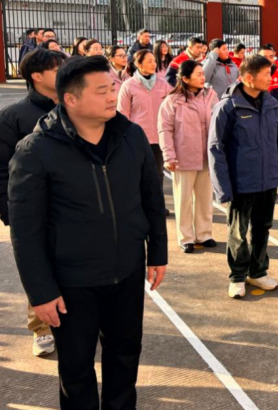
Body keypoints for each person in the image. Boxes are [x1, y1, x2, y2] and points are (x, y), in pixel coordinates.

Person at [8, 56, 168, 409]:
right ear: (71, 98)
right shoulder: (37, 150)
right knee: (76, 368)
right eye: (101, 91)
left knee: (125, 355)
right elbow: (25, 231)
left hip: (126, 271)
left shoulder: (131, 136)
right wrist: (41, 292)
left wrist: (157, 252)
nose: (112, 96)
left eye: (112, 88)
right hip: (71, 282)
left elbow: (151, 199)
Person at [0, 49, 65, 358]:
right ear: (37, 76)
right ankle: (42, 328)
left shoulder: (74, 107)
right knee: (39, 269)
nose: (64, 72)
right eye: (57, 69)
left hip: (74, 207)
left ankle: (76, 322)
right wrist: (11, 212)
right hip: (34, 211)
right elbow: (2, 170)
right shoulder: (13, 117)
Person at [209, 55, 278, 298]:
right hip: (240, 182)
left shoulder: (271, 104)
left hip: (267, 180)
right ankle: (237, 276)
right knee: (238, 231)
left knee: (262, 228)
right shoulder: (228, 107)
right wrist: (222, 188)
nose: (271, 78)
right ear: (248, 77)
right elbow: (216, 148)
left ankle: (258, 271)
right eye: (266, 74)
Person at [158, 60, 219, 253]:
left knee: (204, 197)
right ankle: (186, 237)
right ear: (185, 78)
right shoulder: (172, 101)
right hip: (183, 157)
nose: (202, 77)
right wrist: (169, 156)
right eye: (198, 74)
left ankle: (204, 233)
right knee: (183, 199)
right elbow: (165, 130)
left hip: (206, 156)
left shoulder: (210, 95)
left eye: (203, 74)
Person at [118, 49, 172, 180]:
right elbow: (122, 114)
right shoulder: (128, 85)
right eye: (149, 61)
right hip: (137, 139)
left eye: (154, 61)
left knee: (157, 175)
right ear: (138, 64)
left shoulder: (163, 84)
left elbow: (173, 108)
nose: (154, 64)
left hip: (159, 138)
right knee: (139, 175)